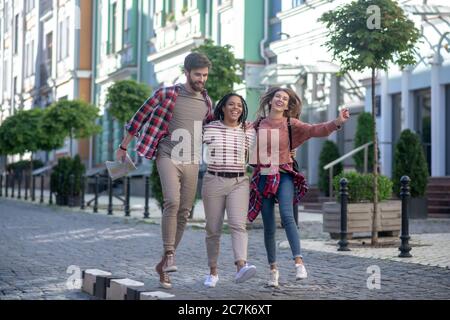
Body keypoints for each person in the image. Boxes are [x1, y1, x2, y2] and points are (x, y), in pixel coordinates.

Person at [116, 52, 214, 289]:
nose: (201, 79)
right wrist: (123, 146)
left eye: (205, 75)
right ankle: (170, 253)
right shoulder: (167, 93)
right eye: (197, 74)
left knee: (185, 211)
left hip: (192, 160)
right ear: (187, 72)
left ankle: (163, 264)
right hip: (167, 154)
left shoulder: (207, 101)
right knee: (172, 201)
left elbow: (212, 128)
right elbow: (139, 118)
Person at [247, 87, 349, 287]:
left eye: (285, 99)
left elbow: (314, 129)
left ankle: (299, 262)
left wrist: (337, 122)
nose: (280, 100)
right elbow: (241, 140)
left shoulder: (290, 123)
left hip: (284, 173)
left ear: (287, 105)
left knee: (287, 216)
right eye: (278, 96)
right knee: (268, 225)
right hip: (263, 175)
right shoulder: (257, 124)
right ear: (270, 100)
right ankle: (273, 270)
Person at [201, 93, 257, 288]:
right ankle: (212, 271)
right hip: (213, 181)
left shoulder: (248, 129)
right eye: (231, 104)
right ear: (222, 107)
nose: (236, 108)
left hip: (239, 182)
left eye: (239, 105)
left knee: (238, 225)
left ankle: (241, 265)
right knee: (213, 229)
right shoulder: (210, 128)